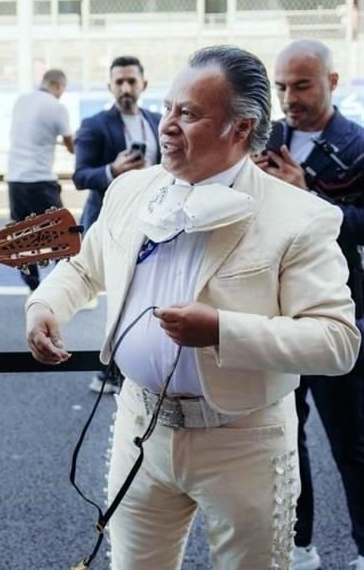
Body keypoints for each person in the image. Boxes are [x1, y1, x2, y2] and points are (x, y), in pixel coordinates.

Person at [25, 45, 360, 570]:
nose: (167, 126)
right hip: (139, 425)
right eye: (169, 108)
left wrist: (222, 330)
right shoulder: (130, 191)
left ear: (241, 128)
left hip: (244, 439)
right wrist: (46, 306)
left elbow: (337, 341)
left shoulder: (301, 216)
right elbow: (86, 267)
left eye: (190, 114)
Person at [256, 39, 364, 570]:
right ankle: (297, 545)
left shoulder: (358, 144)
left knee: (353, 445)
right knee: (283, 441)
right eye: (281, 86)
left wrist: (310, 198)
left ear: (332, 82)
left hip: (336, 314)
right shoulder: (267, 137)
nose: (289, 98)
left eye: (301, 85)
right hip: (272, 314)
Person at [73, 56, 161, 394]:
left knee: (147, 297)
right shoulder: (95, 125)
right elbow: (81, 176)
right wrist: (113, 170)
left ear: (143, 84)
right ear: (110, 86)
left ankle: (138, 367)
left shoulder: (156, 120)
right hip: (111, 224)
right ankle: (108, 370)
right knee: (120, 298)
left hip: (154, 224)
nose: (126, 88)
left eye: (131, 81)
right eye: (119, 82)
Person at [5, 68, 74, 290]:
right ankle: (65, 284)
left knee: (21, 238)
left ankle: (33, 287)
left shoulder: (21, 101)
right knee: (63, 233)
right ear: (59, 86)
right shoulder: (56, 107)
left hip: (15, 180)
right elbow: (72, 147)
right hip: (41, 181)